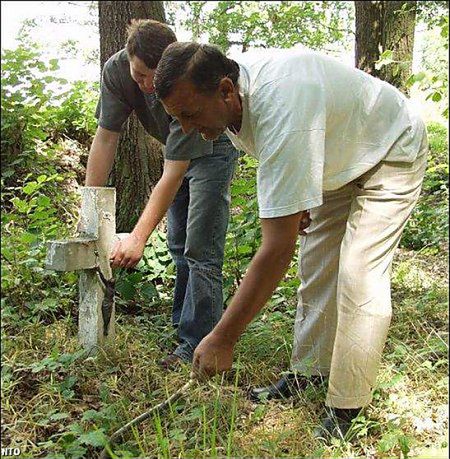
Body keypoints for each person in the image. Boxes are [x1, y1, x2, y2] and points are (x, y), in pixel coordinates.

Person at [153, 42, 428, 439]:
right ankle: (310, 374)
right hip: (338, 156)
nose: (187, 129)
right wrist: (296, 198)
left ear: (227, 90)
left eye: (190, 115)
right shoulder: (228, 93)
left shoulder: (280, 106)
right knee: (317, 263)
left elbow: (275, 250)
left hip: (390, 148)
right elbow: (289, 162)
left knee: (358, 273)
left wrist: (222, 338)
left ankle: (348, 407)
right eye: (178, 119)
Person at [85, 21, 239, 368]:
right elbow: (106, 136)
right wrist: (89, 209)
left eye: (155, 77)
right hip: (175, 152)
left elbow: (172, 174)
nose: (150, 86)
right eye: (140, 75)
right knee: (178, 246)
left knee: (200, 248)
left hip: (211, 147)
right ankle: (182, 330)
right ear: (128, 58)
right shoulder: (116, 72)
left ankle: (197, 345)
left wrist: (138, 238)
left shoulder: (181, 83)